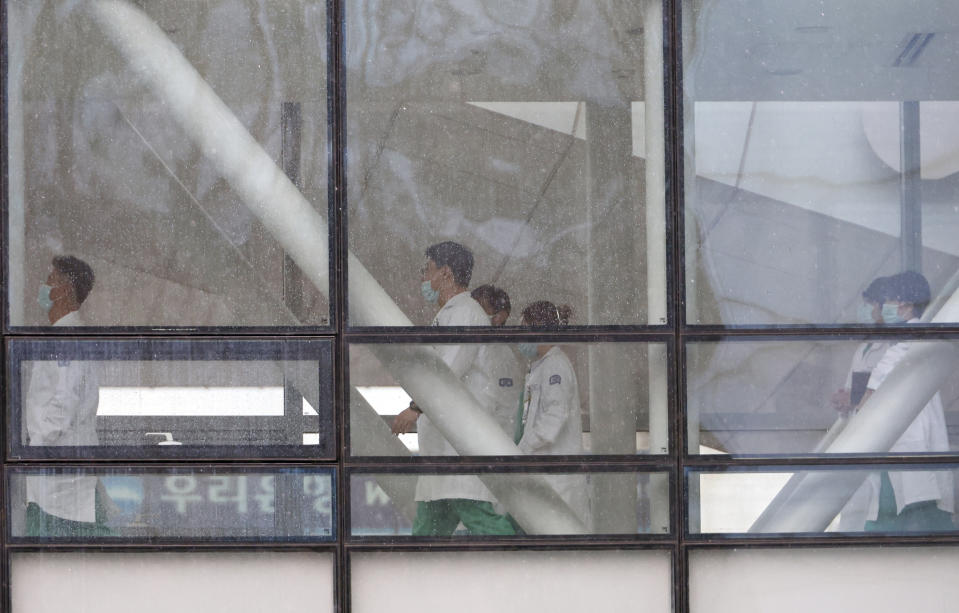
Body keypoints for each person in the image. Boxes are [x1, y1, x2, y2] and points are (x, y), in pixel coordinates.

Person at [391, 242, 515, 536]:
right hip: (442, 448)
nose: (424, 278)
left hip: (459, 445)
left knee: (483, 522)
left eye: (427, 270)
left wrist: (414, 408)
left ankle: (528, 573)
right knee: (428, 530)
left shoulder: (465, 314)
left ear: (445, 273)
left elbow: (447, 371)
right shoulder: (448, 314)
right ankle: (418, 581)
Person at [855, 271, 954, 532]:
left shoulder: (901, 350)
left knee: (890, 534)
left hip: (901, 454)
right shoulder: (926, 341)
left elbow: (866, 405)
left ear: (905, 303)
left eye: (887, 300)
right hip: (919, 456)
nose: (883, 307)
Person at [25, 255, 110, 536]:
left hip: (61, 481)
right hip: (53, 475)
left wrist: (37, 447)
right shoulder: (61, 335)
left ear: (64, 289)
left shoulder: (69, 337)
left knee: (63, 557)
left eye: (50, 280)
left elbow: (65, 400)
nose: (44, 286)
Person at [515, 300, 591, 529]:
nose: (519, 335)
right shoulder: (541, 366)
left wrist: (523, 449)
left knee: (564, 543)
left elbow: (554, 417)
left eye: (523, 327)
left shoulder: (555, 366)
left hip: (559, 481)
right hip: (547, 476)